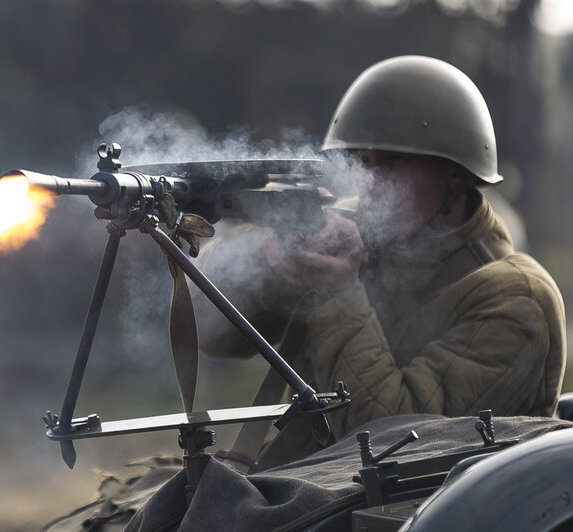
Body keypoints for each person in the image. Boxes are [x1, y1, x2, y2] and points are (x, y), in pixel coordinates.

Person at [195, 55, 566, 471]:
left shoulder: (517, 298)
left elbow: (393, 448)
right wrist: (270, 258)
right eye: (361, 162)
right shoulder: (352, 239)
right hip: (303, 487)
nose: (369, 183)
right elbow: (212, 337)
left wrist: (339, 295)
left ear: (455, 173)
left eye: (391, 162)